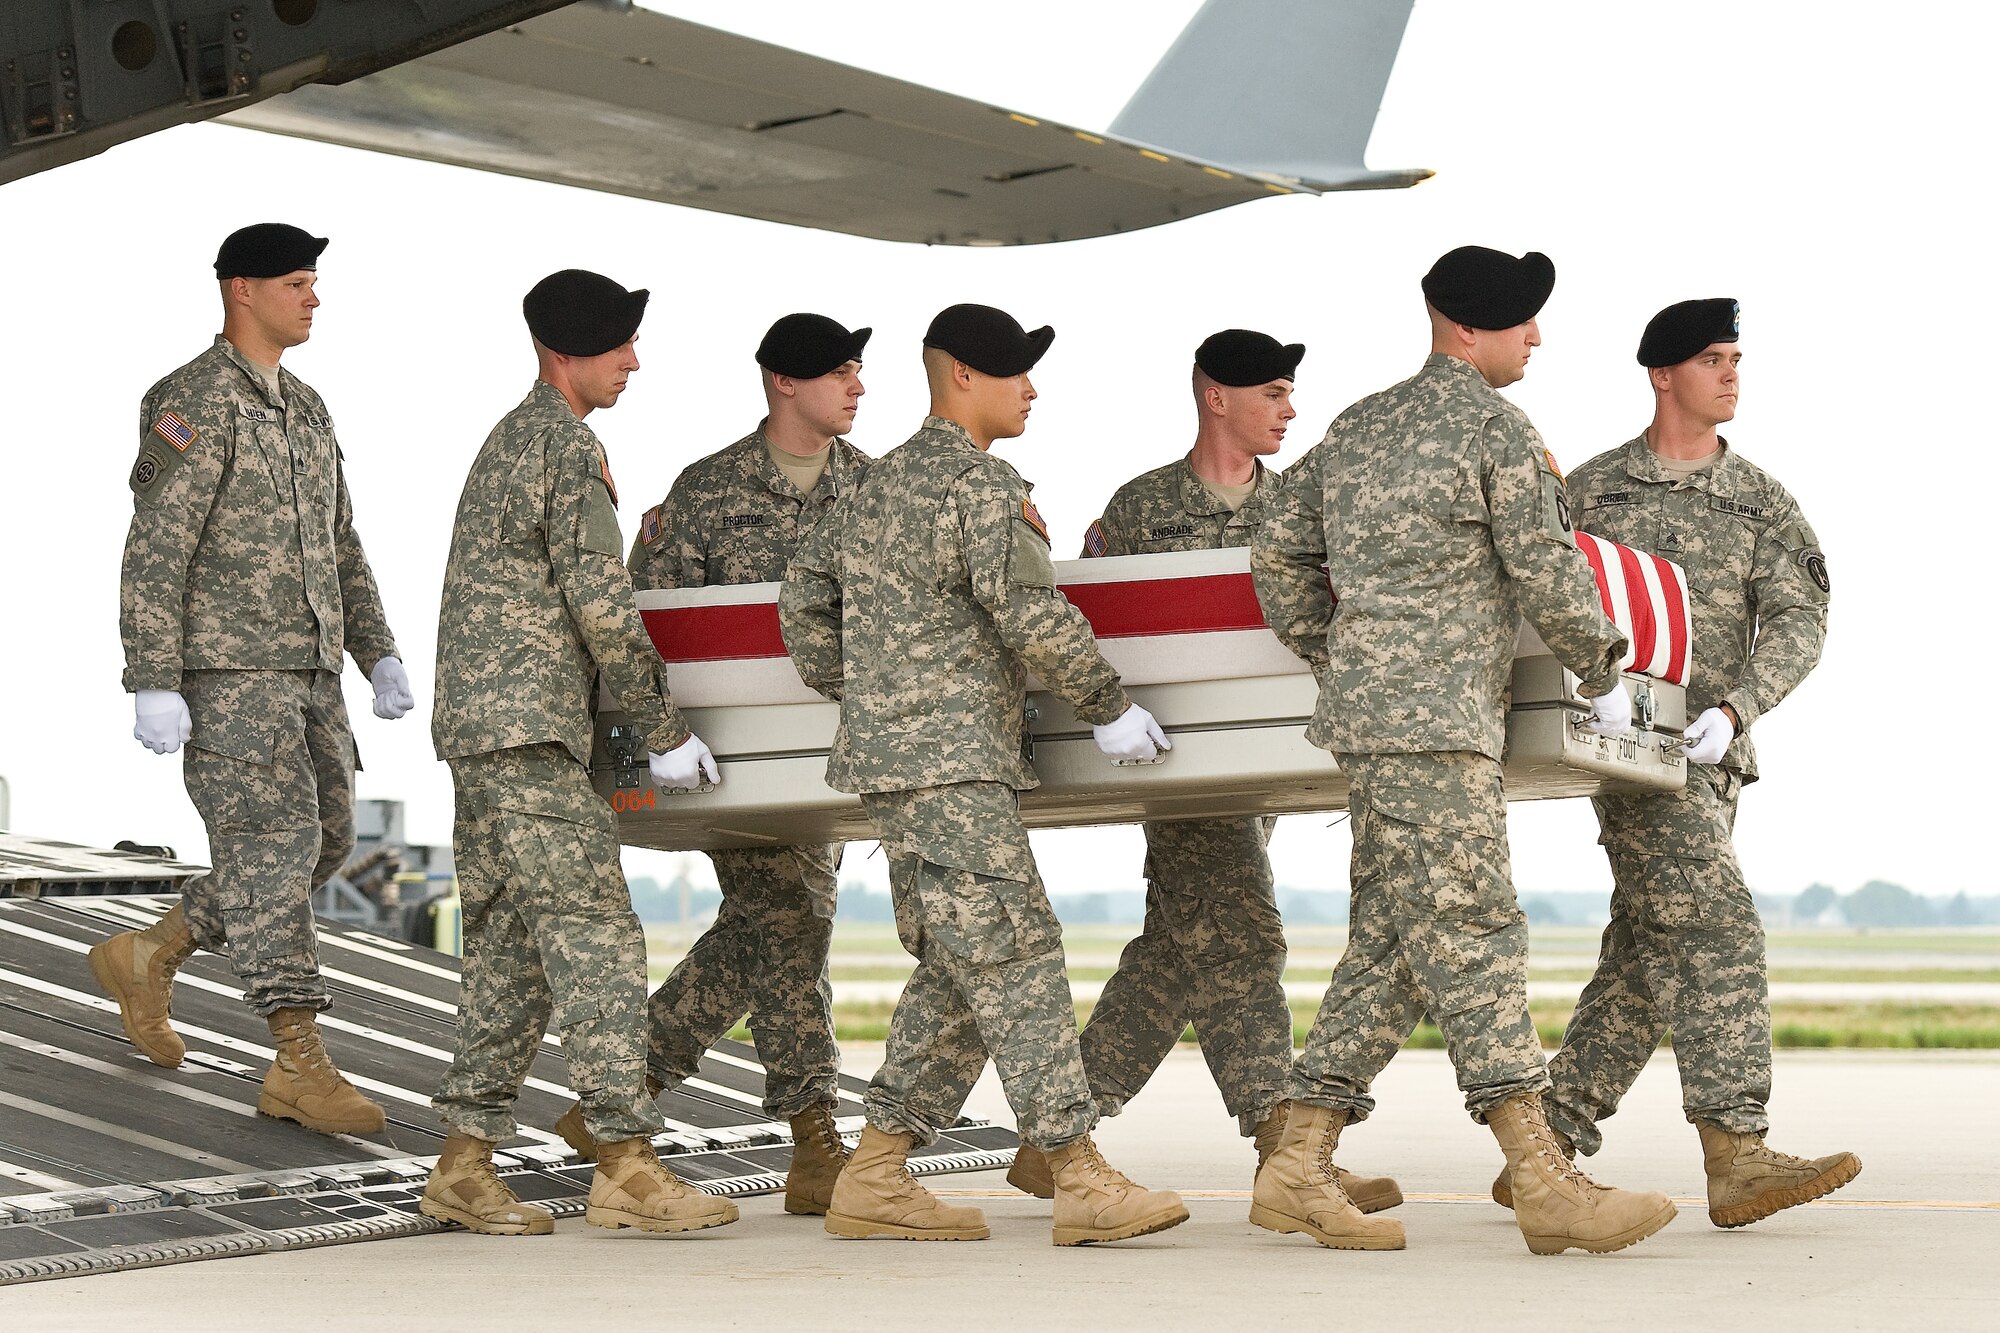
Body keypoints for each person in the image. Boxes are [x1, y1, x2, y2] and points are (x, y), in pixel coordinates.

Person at [1250, 246, 1676, 1255]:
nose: (1535, 337)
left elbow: (1274, 543)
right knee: (1475, 927)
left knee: (1395, 946)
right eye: (1523, 319)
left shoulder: (1358, 426)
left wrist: (1337, 651)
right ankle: (1543, 1178)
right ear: (1470, 327)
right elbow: (1546, 566)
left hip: (1373, 726)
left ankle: (1297, 1163)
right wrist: (1601, 665)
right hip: (1439, 729)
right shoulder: (1493, 429)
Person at [780, 303, 1187, 1246]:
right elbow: (1030, 610)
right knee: (1016, 947)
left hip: (897, 766)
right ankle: (1077, 1170)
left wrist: (876, 691)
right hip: (955, 765)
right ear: (961, 374)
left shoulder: (870, 490)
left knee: (965, 962)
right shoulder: (977, 484)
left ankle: (875, 1172)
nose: (1030, 388)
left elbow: (802, 605)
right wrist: (1108, 704)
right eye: (1014, 371)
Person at [1004, 330, 1399, 1216]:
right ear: (1216, 397)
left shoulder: (1301, 504)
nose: (1289, 410)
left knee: (1181, 948)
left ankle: (1054, 1139)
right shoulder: (1141, 508)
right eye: (1272, 393)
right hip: (1178, 760)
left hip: (1272, 755)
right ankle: (1282, 1146)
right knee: (1245, 935)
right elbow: (1089, 618)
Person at [1493, 297, 1858, 1228]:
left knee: (1649, 944)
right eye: (1712, 359)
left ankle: (1550, 1141)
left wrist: (1739, 709)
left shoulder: (1760, 499)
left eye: (1736, 359)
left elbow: (1803, 619)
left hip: (1714, 752)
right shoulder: (1593, 489)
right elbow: (1536, 586)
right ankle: (1737, 1149)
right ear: (1663, 374)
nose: (1731, 374)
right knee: (1714, 922)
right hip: (1630, 748)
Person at [419, 269, 735, 1238]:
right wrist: (664, 730)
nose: (633, 361)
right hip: (528, 732)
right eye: (617, 344)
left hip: (488, 731)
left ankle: (463, 1164)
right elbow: (604, 602)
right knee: (598, 932)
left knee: (513, 952)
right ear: (566, 352)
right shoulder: (563, 444)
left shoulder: (512, 438)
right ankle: (626, 1162)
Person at [552, 312, 872, 1216]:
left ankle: (630, 1086)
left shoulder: (877, 489)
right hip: (732, 764)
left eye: (858, 370)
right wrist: (646, 748)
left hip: (835, 758)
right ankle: (814, 1140)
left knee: (774, 925)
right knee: (791, 914)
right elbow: (644, 620)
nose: (857, 387)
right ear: (784, 382)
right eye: (840, 371)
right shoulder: (705, 492)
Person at [98, 222, 413, 1137]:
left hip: (311, 674)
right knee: (273, 851)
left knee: (324, 842)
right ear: (243, 289)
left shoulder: (307, 406)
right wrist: (152, 676)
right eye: (296, 283)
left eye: (313, 282)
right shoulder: (192, 399)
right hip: (230, 677)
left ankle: (152, 951)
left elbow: (341, 542)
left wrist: (377, 650)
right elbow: (156, 545)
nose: (313, 298)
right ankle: (297, 1060)